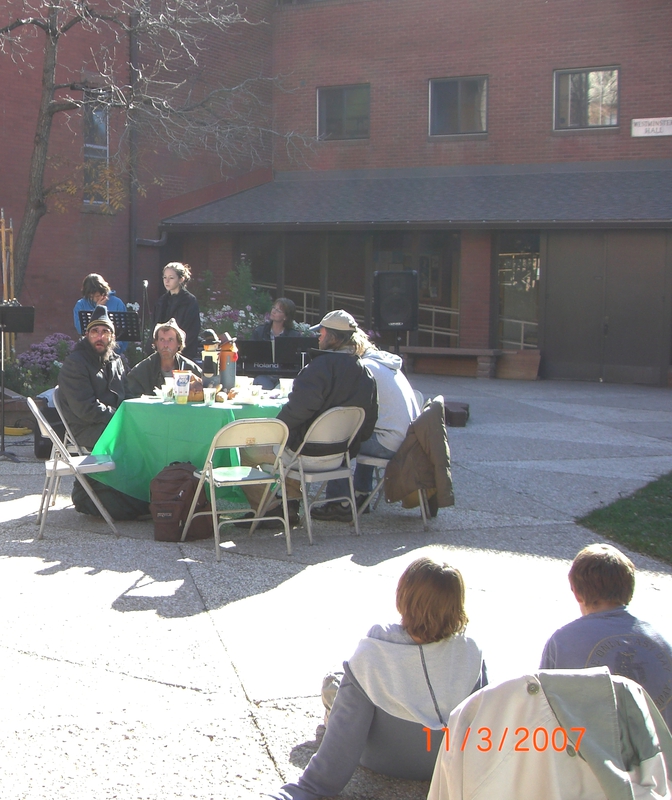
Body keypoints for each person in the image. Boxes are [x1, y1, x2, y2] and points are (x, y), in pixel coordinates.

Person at [269, 557, 487, 800]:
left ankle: (329, 711)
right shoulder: (471, 652)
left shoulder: (376, 646)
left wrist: (303, 789)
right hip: (441, 761)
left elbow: (344, 740)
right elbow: (484, 723)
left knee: (336, 681)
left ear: (404, 596)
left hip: (380, 758)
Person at [540, 543, 672, 729]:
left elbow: (543, 709)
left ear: (577, 592)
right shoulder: (663, 639)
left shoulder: (563, 641)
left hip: (591, 755)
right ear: (630, 589)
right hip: (659, 755)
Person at [271, 309, 378, 522]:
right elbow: (368, 423)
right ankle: (287, 505)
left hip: (305, 454)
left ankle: (276, 509)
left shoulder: (318, 368)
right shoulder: (365, 372)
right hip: (340, 457)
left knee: (256, 446)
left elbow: (299, 410)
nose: (318, 336)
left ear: (332, 337)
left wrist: (274, 428)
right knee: (287, 443)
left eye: (321, 332)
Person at [57, 306, 147, 520]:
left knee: (151, 434)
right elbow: (86, 409)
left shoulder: (115, 361)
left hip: (111, 424)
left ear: (112, 336)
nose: (100, 337)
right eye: (95, 332)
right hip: (87, 428)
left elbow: (128, 394)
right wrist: (121, 418)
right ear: (87, 335)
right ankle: (133, 495)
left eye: (104, 332)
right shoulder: (75, 364)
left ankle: (150, 491)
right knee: (137, 442)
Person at [322, 331, 421, 512]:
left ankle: (339, 503)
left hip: (391, 443)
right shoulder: (382, 362)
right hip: (408, 440)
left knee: (339, 441)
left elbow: (349, 407)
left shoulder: (365, 367)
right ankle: (361, 492)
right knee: (364, 431)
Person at [125, 319, 202, 398]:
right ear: (156, 343)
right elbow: (130, 398)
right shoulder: (141, 371)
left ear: (179, 343)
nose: (165, 345)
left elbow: (208, 390)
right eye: (162, 340)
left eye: (170, 340)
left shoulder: (190, 368)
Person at [152, 262, 201, 360]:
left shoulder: (189, 301)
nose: (167, 281)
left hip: (183, 353)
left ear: (181, 279)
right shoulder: (162, 301)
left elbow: (191, 329)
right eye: (165, 277)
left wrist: (177, 347)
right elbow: (155, 326)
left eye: (171, 278)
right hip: (161, 352)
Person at [73, 273, 130, 355]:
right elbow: (80, 329)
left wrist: (115, 349)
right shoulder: (81, 304)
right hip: (89, 352)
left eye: (97, 295)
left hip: (114, 350)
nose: (94, 298)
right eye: (91, 296)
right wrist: (97, 309)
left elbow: (124, 332)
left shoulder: (117, 303)